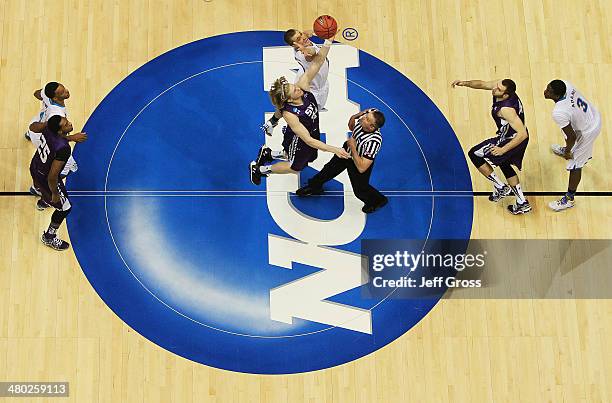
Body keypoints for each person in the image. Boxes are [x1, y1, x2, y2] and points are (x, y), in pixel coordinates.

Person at [250, 34, 349, 185]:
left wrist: (328, 41)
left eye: (294, 86)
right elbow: (308, 140)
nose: (298, 88)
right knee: (295, 167)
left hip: (311, 131)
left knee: (308, 157)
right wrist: (335, 149)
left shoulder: (302, 86)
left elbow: (318, 62)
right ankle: (261, 169)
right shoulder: (290, 114)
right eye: (295, 90)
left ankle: (268, 153)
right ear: (289, 99)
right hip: (301, 139)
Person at [452, 78, 531, 214]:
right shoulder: (502, 91)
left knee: (474, 154)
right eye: (497, 86)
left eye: (499, 89)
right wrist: (464, 83)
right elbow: (482, 84)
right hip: (512, 136)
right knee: (504, 164)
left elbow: (522, 134)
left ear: (506, 95)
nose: (495, 89)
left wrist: (502, 149)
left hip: (512, 139)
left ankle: (500, 187)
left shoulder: (506, 110)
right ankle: (522, 202)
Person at [296, 108, 388, 213]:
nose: (362, 117)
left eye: (366, 118)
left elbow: (362, 168)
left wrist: (353, 147)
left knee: (360, 189)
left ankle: (377, 200)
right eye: (364, 115)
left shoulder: (373, 141)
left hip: (359, 160)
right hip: (347, 151)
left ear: (372, 127)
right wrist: (354, 117)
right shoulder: (365, 119)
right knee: (328, 169)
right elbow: (352, 125)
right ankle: (314, 186)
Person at [544, 80, 602, 211]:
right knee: (567, 132)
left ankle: (569, 199)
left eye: (549, 91)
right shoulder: (566, 85)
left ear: (557, 95)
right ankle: (568, 148)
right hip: (591, 116)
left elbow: (572, 137)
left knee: (575, 164)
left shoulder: (559, 112)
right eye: (547, 88)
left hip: (588, 130)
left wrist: (567, 152)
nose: (545, 92)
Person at [30, 115, 86, 251]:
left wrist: (70, 137)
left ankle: (44, 200)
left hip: (35, 166)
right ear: (60, 131)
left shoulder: (48, 128)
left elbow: (32, 127)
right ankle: (49, 237)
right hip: (46, 178)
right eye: (66, 124)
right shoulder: (64, 149)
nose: (70, 123)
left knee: (69, 169)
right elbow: (52, 176)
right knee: (65, 208)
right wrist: (54, 193)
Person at [261, 28, 330, 137]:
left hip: (304, 76)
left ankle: (273, 121)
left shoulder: (304, 40)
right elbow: (312, 54)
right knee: (306, 120)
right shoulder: (303, 54)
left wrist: (313, 31)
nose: (303, 38)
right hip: (312, 89)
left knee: (286, 102)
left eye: (301, 35)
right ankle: (290, 132)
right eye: (299, 39)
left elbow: (307, 34)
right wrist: (328, 39)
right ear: (295, 45)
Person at [26, 82, 80, 183]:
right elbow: (54, 138)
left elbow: (36, 94)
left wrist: (42, 94)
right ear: (55, 98)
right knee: (69, 165)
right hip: (42, 136)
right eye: (62, 93)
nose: (66, 91)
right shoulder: (57, 113)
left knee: (37, 126)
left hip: (36, 123)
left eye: (64, 89)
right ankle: (41, 186)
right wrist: (73, 137)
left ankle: (29, 134)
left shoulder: (48, 92)